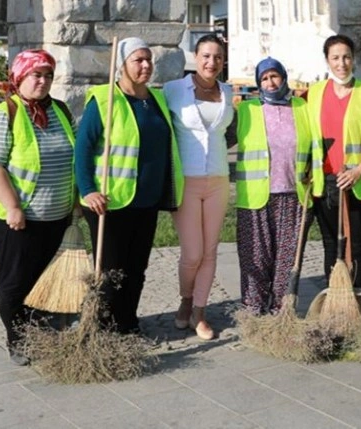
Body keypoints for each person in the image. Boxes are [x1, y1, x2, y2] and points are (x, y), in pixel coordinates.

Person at [75, 37, 183, 335]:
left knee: (137, 268)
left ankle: (127, 321)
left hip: (146, 200)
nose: (146, 65)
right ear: (122, 65)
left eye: (149, 59)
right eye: (138, 60)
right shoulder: (104, 100)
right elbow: (83, 148)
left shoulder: (157, 100)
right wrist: (87, 190)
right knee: (110, 271)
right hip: (110, 201)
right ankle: (102, 327)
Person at [0, 49, 76, 365]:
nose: (43, 81)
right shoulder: (3, 115)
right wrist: (12, 207)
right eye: (37, 74)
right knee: (15, 282)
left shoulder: (60, 110)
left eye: (48, 75)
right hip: (20, 218)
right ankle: (17, 340)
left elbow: (73, 156)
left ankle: (42, 331)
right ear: (20, 76)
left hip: (58, 215)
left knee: (45, 280)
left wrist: (75, 199)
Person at [163, 34, 235, 340]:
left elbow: (230, 132)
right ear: (196, 56)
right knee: (192, 253)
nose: (212, 62)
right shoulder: (173, 90)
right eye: (206, 56)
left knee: (210, 250)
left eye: (217, 57)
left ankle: (200, 313)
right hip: (186, 181)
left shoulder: (228, 92)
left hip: (218, 179)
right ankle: (185, 300)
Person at [306, 34, 361, 290]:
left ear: (354, 59)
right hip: (326, 182)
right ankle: (335, 300)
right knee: (332, 244)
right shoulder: (313, 94)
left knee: (357, 245)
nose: (342, 63)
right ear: (327, 60)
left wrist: (358, 171)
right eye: (336, 58)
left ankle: (357, 300)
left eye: (347, 57)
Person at [235, 57, 312, 315]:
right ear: (259, 83)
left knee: (287, 257)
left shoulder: (301, 107)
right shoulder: (247, 110)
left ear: (283, 77)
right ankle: (253, 307)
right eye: (264, 78)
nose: (270, 82)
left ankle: (282, 307)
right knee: (255, 255)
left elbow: (316, 145)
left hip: (293, 193)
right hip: (257, 194)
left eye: (274, 76)